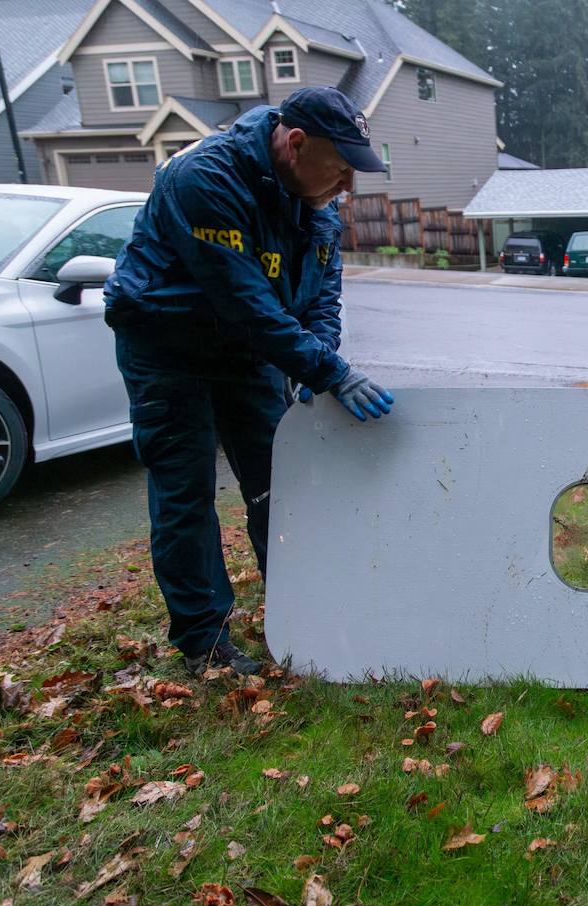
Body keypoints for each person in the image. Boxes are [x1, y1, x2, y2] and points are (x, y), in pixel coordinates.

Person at [104, 87, 395, 676]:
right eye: (340, 169)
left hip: (247, 351)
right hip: (167, 344)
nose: (347, 187)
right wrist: (329, 371)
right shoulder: (204, 178)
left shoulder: (317, 205)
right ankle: (203, 642)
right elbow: (245, 301)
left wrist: (320, 361)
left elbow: (322, 298)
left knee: (279, 485)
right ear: (295, 144)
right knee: (186, 492)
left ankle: (300, 610)